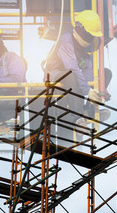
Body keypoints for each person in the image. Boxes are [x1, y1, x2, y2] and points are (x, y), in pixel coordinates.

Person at [42, 10, 111, 144]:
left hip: (73, 77)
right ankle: (77, 117)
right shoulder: (66, 42)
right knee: (72, 75)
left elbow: (88, 68)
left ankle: (89, 110)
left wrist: (100, 90)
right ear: (79, 29)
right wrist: (88, 91)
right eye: (89, 34)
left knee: (105, 72)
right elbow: (72, 67)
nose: (90, 38)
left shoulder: (83, 47)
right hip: (55, 77)